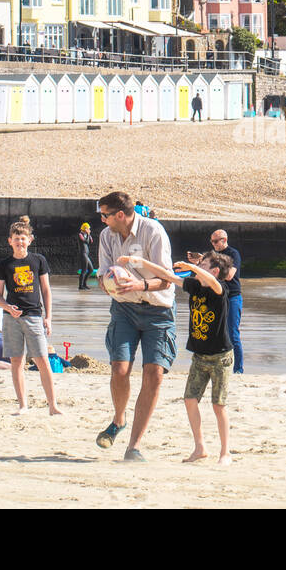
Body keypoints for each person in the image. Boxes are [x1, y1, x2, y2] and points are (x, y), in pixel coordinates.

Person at [121, 249, 236, 464]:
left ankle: (225, 453)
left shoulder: (221, 289)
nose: (198, 268)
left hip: (221, 357)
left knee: (218, 405)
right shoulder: (194, 286)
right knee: (190, 400)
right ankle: (200, 448)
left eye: (203, 265)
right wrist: (141, 261)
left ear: (214, 270)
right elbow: (167, 275)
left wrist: (191, 266)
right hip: (200, 356)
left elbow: (214, 283)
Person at [95, 190, 176, 461]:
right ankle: (119, 420)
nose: (102, 220)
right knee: (119, 370)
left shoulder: (153, 231)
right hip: (124, 309)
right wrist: (108, 282)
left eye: (105, 215)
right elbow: (102, 273)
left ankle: (134, 446)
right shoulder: (106, 236)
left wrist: (139, 284)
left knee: (154, 374)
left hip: (158, 309)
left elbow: (167, 279)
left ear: (120, 215)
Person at [0, 217, 61, 416]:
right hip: (11, 318)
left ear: (30, 240)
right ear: (10, 241)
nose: (20, 242)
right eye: (16, 238)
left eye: (23, 238)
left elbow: (46, 290)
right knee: (16, 361)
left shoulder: (38, 260)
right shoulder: (4, 264)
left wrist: (48, 317)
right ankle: (23, 405)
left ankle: (53, 406)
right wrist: (8, 307)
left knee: (42, 361)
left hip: (34, 316)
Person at [203, 229, 243, 374]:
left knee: (232, 334)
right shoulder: (213, 255)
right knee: (215, 333)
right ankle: (217, 365)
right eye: (211, 241)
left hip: (232, 297)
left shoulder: (233, 254)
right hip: (216, 297)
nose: (213, 244)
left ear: (224, 240)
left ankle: (238, 369)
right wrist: (199, 263)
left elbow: (229, 276)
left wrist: (214, 267)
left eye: (215, 241)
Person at [77, 223, 95, 290]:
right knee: (84, 270)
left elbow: (91, 241)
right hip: (83, 254)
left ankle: (84, 284)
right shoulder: (80, 234)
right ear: (85, 229)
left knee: (91, 269)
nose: (89, 230)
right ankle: (81, 286)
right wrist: (88, 234)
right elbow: (86, 241)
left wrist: (89, 234)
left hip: (86, 255)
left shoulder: (86, 235)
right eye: (88, 228)